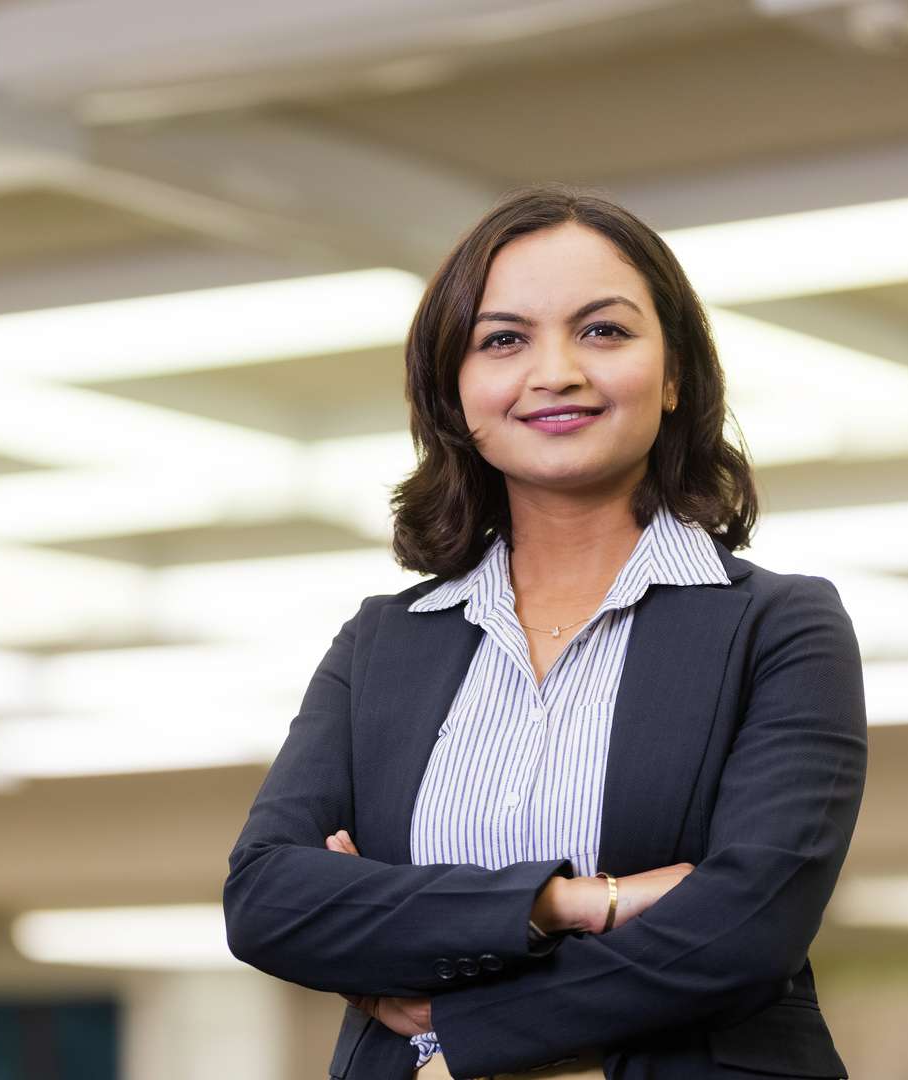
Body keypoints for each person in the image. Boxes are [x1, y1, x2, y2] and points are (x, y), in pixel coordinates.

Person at [222, 182, 867, 1080]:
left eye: (603, 331)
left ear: (676, 372)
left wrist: (451, 1005)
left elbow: (744, 928)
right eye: (503, 339)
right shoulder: (384, 645)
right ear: (455, 391)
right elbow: (269, 902)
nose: (556, 371)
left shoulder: (778, 626)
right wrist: (573, 902)